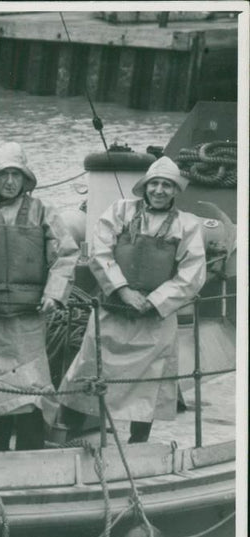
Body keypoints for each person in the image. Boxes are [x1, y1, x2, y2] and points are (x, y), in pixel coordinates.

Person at [58, 156, 206, 443]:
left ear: (176, 190)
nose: (160, 190)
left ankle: (139, 442)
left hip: (155, 321)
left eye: (167, 185)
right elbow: (100, 253)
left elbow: (192, 273)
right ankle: (68, 435)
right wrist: (123, 290)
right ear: (145, 186)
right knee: (90, 368)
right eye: (155, 184)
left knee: (149, 383)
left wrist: (153, 301)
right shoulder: (119, 211)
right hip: (112, 312)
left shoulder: (187, 225)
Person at [0, 142, 79, 451]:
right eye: (4, 175)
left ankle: (31, 447)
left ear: (25, 179)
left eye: (16, 174)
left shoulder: (44, 213)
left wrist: (54, 294)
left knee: (33, 387)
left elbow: (66, 256)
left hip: (29, 318)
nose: (10, 181)